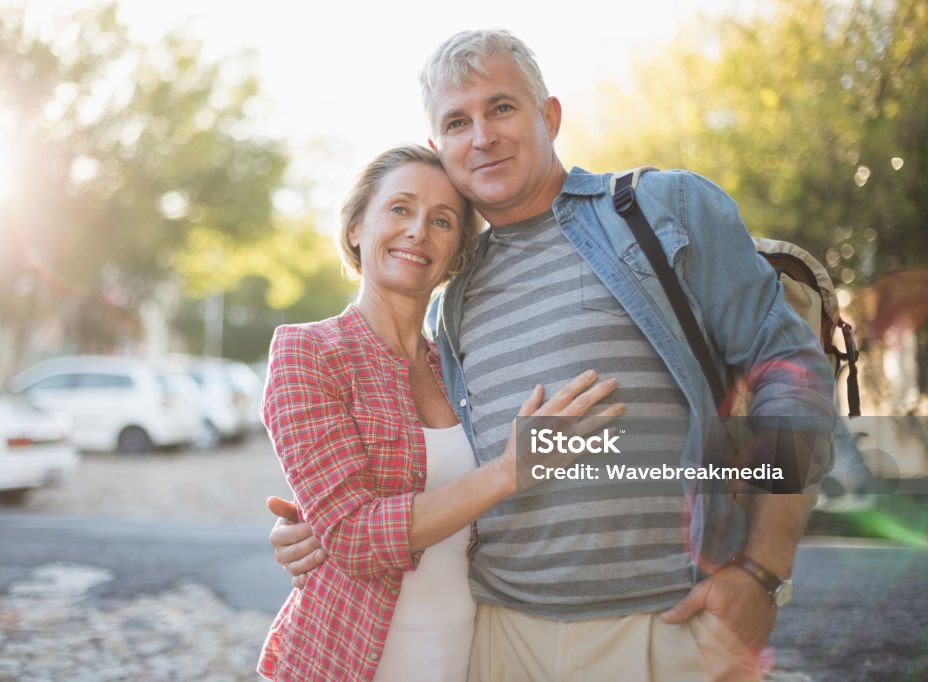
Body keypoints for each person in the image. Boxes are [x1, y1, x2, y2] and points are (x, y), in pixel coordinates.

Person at [269, 31, 837, 681]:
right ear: (439, 148)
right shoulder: (451, 297)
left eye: (502, 107)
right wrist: (330, 529)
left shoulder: (661, 210)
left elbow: (791, 375)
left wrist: (763, 571)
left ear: (551, 116)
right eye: (458, 121)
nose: (481, 136)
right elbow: (452, 473)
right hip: (498, 639)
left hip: (664, 630)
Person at [257, 144, 622, 682]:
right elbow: (354, 538)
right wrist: (509, 471)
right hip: (351, 658)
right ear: (357, 226)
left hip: (467, 651)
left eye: (442, 220)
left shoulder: (461, 364)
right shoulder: (307, 351)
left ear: (457, 252)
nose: (418, 231)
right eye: (400, 209)